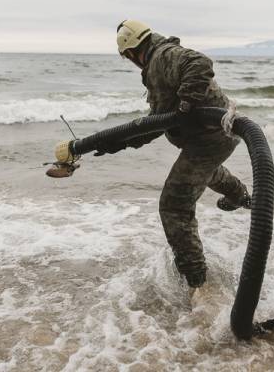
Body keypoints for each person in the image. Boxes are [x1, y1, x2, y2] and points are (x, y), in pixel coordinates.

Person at [56, 20, 251, 294]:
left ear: (133, 50)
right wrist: (116, 144)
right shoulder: (158, 62)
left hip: (210, 137)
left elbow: (201, 63)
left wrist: (185, 104)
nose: (130, 62)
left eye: (127, 57)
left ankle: (198, 284)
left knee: (174, 206)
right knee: (204, 171)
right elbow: (153, 125)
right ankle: (242, 197)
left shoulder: (163, 55)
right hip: (212, 137)